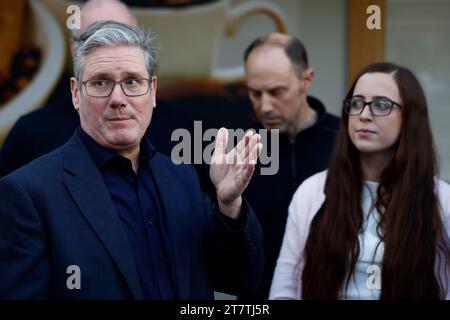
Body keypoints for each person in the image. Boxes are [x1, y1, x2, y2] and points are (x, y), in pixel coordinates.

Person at [0, 21, 263, 299]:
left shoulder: (182, 178)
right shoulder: (29, 193)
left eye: (132, 82)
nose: (118, 98)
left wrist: (228, 205)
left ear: (152, 92)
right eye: (101, 82)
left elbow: (239, 280)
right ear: (76, 94)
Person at [270, 62, 450, 300]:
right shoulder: (313, 192)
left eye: (381, 105)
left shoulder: (442, 200)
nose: (364, 115)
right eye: (356, 103)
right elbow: (284, 291)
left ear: (409, 117)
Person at [0, 0, 193, 177]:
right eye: (94, 41)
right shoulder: (32, 133)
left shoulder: (180, 127)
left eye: (123, 37)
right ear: (74, 49)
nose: (110, 50)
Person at [241, 33, 339, 299]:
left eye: (277, 92)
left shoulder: (345, 142)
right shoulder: (238, 149)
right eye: (255, 93)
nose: (265, 106)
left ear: (306, 80)